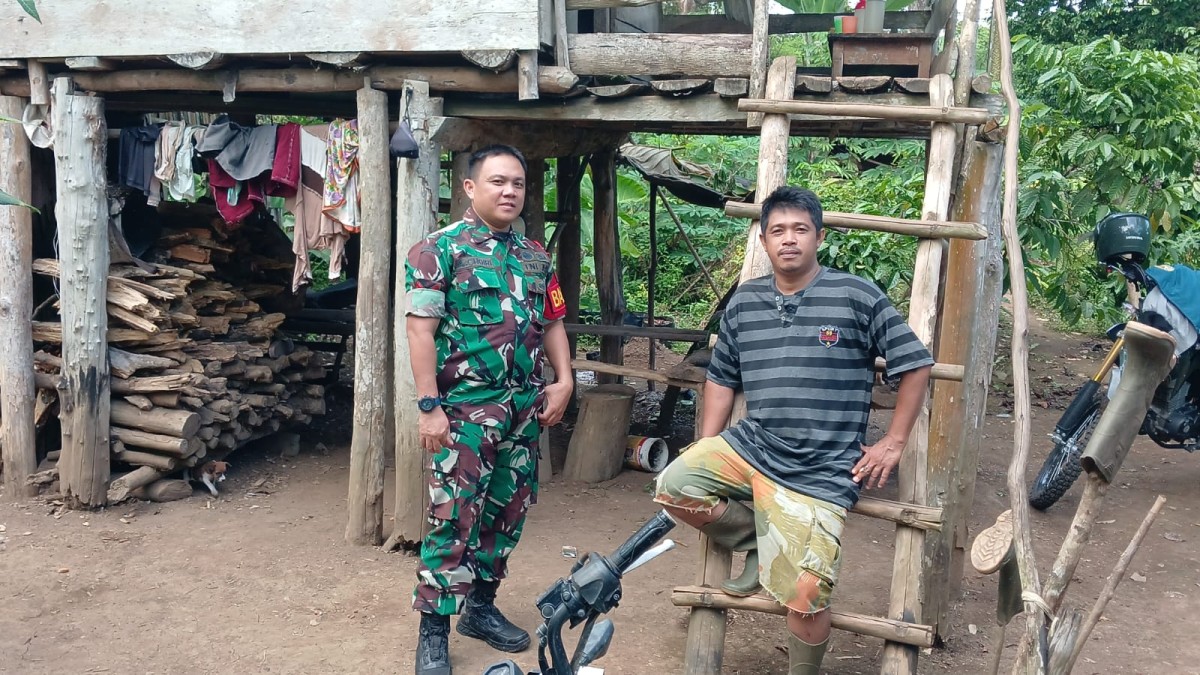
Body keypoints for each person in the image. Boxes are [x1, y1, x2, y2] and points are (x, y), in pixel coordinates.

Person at [652, 185, 933, 674]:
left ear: (818, 237)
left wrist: (894, 441)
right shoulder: (745, 301)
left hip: (822, 468)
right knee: (674, 484)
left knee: (807, 595)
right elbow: (721, 378)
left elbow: (916, 364)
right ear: (763, 240)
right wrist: (707, 442)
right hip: (752, 447)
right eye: (778, 230)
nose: (789, 239)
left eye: (800, 229)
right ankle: (760, 543)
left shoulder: (856, 295)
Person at [404, 144, 574, 675]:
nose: (509, 191)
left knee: (507, 512)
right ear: (470, 187)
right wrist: (429, 406)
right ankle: (434, 630)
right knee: (452, 515)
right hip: (464, 410)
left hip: (524, 410)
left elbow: (553, 322)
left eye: (517, 183)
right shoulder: (438, 250)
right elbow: (420, 330)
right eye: (498, 181)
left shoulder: (535, 255)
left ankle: (479, 608)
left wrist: (565, 381)